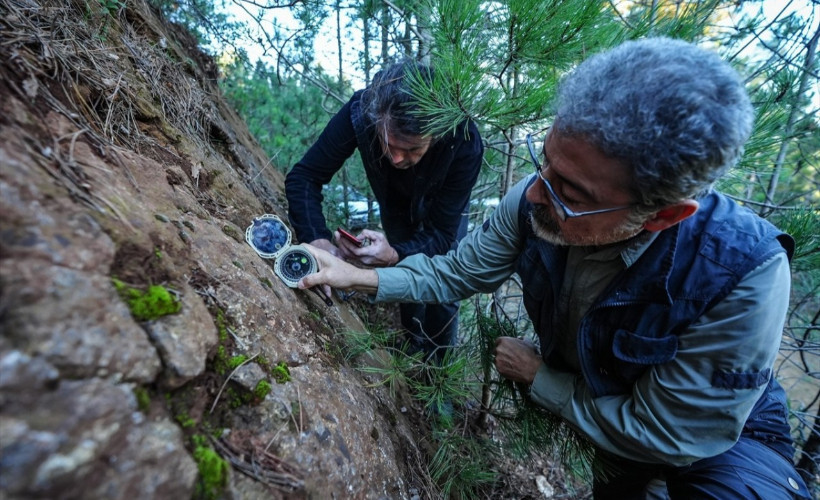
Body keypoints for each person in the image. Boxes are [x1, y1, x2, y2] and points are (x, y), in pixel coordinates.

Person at [297, 38, 812, 499]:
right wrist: (356, 276)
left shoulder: (744, 274)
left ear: (662, 216)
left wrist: (542, 378)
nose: (535, 193)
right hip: (612, 435)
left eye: (572, 193)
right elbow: (457, 272)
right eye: (545, 161)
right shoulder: (538, 196)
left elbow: (670, 435)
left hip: (722, 450)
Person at [285, 61, 483, 362]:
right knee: (404, 271)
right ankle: (411, 345)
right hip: (395, 201)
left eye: (412, 149)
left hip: (445, 208)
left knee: (445, 286)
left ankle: (438, 370)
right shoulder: (362, 111)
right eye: (388, 143)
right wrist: (318, 239)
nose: (396, 158)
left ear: (437, 134)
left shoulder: (464, 139)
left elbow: (442, 235)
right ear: (376, 118)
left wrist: (393, 253)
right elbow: (305, 177)